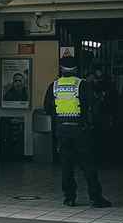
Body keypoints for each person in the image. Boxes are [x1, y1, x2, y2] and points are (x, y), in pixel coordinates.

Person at [43, 56, 111, 208]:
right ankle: (95, 198)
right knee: (88, 165)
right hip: (80, 130)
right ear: (76, 69)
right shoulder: (82, 85)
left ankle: (69, 198)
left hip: (62, 130)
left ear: (61, 68)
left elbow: (47, 108)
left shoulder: (53, 86)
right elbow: (93, 105)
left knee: (66, 166)